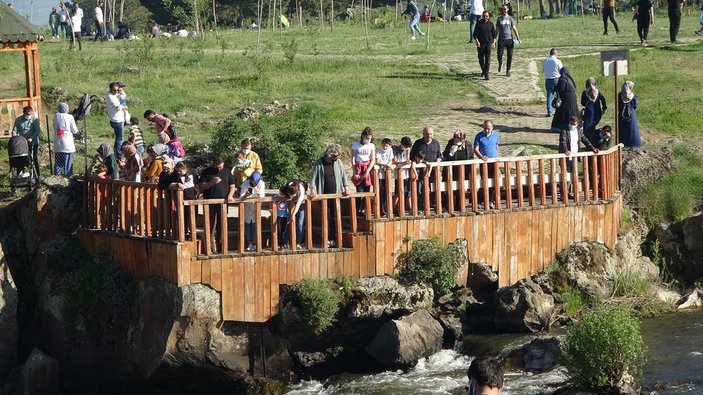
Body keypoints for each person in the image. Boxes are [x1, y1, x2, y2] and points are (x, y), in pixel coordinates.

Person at [309, 144, 349, 248]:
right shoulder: (319, 163)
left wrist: (346, 187)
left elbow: (343, 175)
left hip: (336, 194)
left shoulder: (338, 162)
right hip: (324, 194)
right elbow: (313, 177)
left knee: (335, 217)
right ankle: (325, 238)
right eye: (334, 156)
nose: (336, 158)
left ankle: (334, 239)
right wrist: (313, 189)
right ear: (329, 154)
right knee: (325, 217)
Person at [198, 157, 237, 254]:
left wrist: (230, 195)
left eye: (221, 166)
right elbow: (201, 186)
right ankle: (209, 248)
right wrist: (212, 182)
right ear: (214, 164)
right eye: (218, 167)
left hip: (223, 203)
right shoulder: (206, 172)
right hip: (210, 203)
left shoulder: (227, 172)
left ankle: (222, 248)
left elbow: (232, 185)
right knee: (210, 225)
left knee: (222, 225)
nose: (219, 169)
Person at [410, 126, 442, 210]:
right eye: (427, 134)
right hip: (420, 171)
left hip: (433, 171)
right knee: (420, 189)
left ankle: (433, 205)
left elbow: (439, 155)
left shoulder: (436, 143)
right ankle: (420, 207)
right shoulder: (418, 143)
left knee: (434, 188)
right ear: (423, 134)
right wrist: (416, 162)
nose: (429, 136)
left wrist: (438, 161)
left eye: (431, 134)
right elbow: (412, 155)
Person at [473, 120, 499, 209]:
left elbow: (496, 146)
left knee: (494, 181)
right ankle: (480, 201)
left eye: (488, 128)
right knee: (484, 181)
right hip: (484, 162)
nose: (487, 130)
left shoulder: (495, 135)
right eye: (485, 128)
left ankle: (491, 201)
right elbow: (476, 149)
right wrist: (481, 157)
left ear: (492, 127)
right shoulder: (479, 136)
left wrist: (495, 155)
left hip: (494, 161)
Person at [443, 130, 471, 210]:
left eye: (458, 137)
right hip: (452, 171)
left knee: (461, 189)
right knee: (451, 189)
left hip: (463, 171)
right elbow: (445, 154)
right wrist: (451, 150)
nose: (455, 139)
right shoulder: (450, 143)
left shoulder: (468, 144)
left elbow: (471, 156)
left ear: (463, 138)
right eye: (454, 137)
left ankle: (460, 206)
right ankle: (450, 206)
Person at [351, 127, 376, 215]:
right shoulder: (355, 144)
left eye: (369, 138)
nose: (368, 140)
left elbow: (373, 160)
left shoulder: (371, 145)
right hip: (358, 167)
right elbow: (353, 159)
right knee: (359, 190)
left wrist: (367, 172)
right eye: (366, 138)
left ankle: (365, 210)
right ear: (362, 136)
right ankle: (357, 211)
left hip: (367, 167)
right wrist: (355, 172)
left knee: (366, 190)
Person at [239, 171, 265, 252]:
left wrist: (257, 192)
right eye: (252, 182)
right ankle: (249, 243)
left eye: (254, 183)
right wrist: (246, 195)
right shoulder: (245, 184)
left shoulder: (261, 183)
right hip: (247, 207)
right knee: (247, 226)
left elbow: (262, 196)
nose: (253, 184)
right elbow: (240, 198)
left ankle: (255, 243)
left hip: (256, 208)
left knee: (255, 225)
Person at [12, 106, 41, 177]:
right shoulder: (18, 120)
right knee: (20, 157)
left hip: (33, 142)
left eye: (29, 114)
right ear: (24, 113)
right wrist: (15, 138)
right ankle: (20, 174)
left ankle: (36, 174)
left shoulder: (35, 120)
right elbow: (14, 130)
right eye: (27, 114)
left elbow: (37, 131)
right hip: (22, 143)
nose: (28, 116)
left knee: (33, 158)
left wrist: (31, 138)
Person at [279, 179, 307, 249]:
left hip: (301, 203)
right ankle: (285, 242)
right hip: (290, 203)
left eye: (293, 195)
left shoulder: (301, 189)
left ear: (297, 191)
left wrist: (293, 214)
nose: (292, 196)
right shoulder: (286, 187)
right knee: (288, 221)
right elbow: (280, 194)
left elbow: (298, 205)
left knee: (300, 223)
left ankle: (298, 242)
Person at [53, 103, 78, 177]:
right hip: (67, 143)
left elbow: (54, 128)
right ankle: (68, 176)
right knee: (67, 161)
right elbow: (74, 130)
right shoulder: (70, 117)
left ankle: (57, 175)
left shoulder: (56, 117)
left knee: (58, 161)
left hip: (58, 142)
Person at [551, 67, 579, 132]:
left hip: (566, 99)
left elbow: (561, 88)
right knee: (573, 111)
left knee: (563, 112)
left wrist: (554, 88)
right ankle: (575, 126)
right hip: (572, 98)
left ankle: (560, 127)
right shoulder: (570, 79)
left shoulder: (563, 79)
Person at [495, 5, 520, 77]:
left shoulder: (510, 19)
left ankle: (508, 70)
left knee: (510, 55)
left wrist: (518, 38)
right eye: (502, 9)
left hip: (509, 39)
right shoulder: (499, 19)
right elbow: (497, 29)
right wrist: (494, 38)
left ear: (508, 9)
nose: (504, 10)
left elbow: (514, 29)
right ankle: (500, 63)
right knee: (499, 54)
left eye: (505, 9)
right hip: (501, 39)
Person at [580, 77, 607, 143]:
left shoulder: (585, 92)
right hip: (597, 113)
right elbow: (603, 99)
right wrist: (604, 108)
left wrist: (587, 104)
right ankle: (593, 141)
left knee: (587, 129)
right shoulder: (597, 92)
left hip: (589, 113)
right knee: (592, 127)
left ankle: (589, 142)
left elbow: (582, 102)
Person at [618, 80, 642, 147]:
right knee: (632, 129)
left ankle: (623, 142)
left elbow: (618, 105)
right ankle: (633, 143)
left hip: (621, 116)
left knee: (623, 129)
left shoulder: (620, 95)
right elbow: (635, 106)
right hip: (631, 115)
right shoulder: (633, 96)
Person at [474, 11, 497, 80]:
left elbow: (494, 34)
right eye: (484, 16)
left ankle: (486, 74)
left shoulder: (491, 24)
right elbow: (474, 34)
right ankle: (484, 71)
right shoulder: (479, 23)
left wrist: (494, 42)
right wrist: (477, 41)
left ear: (488, 16)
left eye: (486, 16)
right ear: (482, 16)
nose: (485, 17)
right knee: (481, 59)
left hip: (488, 43)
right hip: (481, 44)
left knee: (488, 59)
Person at [106, 82, 127, 155]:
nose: (116, 92)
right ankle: (118, 154)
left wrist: (120, 93)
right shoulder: (111, 96)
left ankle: (116, 151)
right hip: (117, 120)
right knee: (119, 138)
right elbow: (118, 107)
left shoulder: (110, 94)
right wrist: (124, 107)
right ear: (110, 89)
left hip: (115, 119)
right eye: (114, 90)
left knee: (117, 137)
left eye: (117, 90)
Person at [376, 138, 395, 216]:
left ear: (390, 146)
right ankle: (381, 210)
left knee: (387, 192)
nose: (385, 147)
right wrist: (384, 165)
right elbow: (377, 161)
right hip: (380, 175)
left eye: (387, 146)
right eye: (384, 146)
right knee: (380, 193)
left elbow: (391, 160)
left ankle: (386, 210)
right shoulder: (378, 151)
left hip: (387, 175)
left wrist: (388, 165)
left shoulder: (390, 151)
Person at [394, 136, 413, 213]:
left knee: (408, 192)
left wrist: (408, 155)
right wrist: (404, 163)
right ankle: (394, 206)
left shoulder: (407, 150)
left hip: (406, 174)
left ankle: (410, 208)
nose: (406, 148)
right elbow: (395, 161)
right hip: (398, 175)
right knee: (398, 192)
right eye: (406, 146)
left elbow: (408, 159)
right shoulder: (395, 149)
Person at [542, 48, 563, 117]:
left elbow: (543, 70)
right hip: (556, 79)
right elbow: (562, 70)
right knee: (559, 95)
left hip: (548, 80)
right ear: (555, 54)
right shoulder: (557, 61)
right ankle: (559, 110)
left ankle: (549, 111)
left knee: (549, 95)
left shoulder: (545, 61)